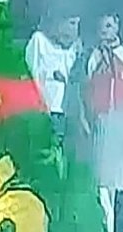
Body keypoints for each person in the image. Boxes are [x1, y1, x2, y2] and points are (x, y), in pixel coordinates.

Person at [25, 13, 82, 141]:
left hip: (63, 113)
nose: (75, 29)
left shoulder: (72, 51)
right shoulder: (39, 41)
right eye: (72, 23)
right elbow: (32, 70)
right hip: (43, 111)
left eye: (77, 24)